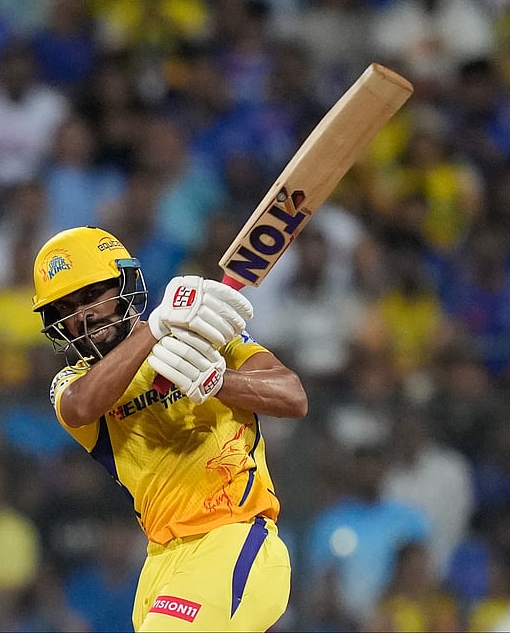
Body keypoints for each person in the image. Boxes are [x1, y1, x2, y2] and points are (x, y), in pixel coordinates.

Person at [30, 226, 307, 631]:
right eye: (67, 308)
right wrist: (155, 330)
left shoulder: (207, 340)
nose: (83, 315)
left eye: (92, 295)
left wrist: (217, 381)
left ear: (124, 285)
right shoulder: (71, 383)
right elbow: (82, 407)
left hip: (234, 538)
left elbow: (292, 396)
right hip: (161, 562)